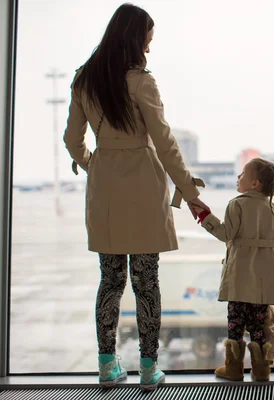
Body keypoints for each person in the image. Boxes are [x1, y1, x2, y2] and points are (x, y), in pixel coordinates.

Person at [63, 3, 208, 391]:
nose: (149, 45)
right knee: (147, 283)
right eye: (148, 36)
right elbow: (165, 143)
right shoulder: (141, 81)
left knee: (110, 282)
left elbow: (71, 140)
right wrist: (190, 191)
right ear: (134, 36)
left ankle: (107, 367)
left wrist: (92, 162)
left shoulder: (84, 80)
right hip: (144, 187)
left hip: (105, 185)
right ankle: (148, 369)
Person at [191, 158, 274, 382]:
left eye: (242, 174)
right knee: (259, 327)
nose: (238, 177)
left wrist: (204, 216)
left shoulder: (237, 204)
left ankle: (233, 369)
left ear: (255, 183)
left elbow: (226, 234)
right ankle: (262, 371)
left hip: (240, 280)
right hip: (264, 283)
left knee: (235, 325)